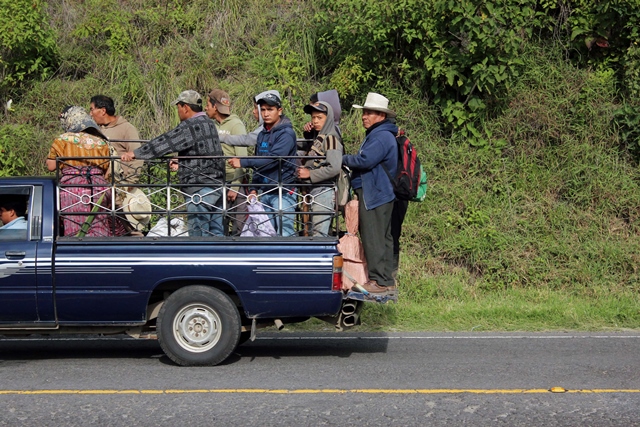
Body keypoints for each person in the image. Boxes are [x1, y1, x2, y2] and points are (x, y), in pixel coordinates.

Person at [121, 90, 225, 237]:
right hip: (217, 184)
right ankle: (220, 259)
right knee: (216, 232)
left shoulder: (190, 125)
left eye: (178, 107)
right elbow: (201, 150)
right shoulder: (209, 123)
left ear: (185, 107)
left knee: (199, 234)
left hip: (199, 187)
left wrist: (136, 153)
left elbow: (165, 142)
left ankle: (200, 260)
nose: (178, 111)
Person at [342, 93, 398, 295]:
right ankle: (385, 280)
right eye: (364, 113)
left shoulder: (381, 136)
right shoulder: (381, 134)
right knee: (383, 237)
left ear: (381, 116)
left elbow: (365, 160)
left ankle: (379, 282)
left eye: (369, 113)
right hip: (381, 193)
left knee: (374, 237)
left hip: (375, 193)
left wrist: (343, 158)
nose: (364, 116)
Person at [228, 92, 298, 236]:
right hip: (265, 192)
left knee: (285, 233)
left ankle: (290, 258)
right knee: (265, 234)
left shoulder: (286, 133)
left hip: (283, 191)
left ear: (279, 111)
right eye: (263, 109)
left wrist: (242, 162)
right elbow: (258, 161)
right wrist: (253, 188)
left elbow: (274, 159)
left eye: (270, 109)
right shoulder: (262, 134)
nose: (265, 113)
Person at [47, 106, 124, 237]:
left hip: (73, 188)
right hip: (99, 187)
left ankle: (76, 251)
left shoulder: (62, 140)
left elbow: (51, 166)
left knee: (75, 224)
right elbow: (108, 170)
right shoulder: (101, 141)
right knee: (99, 223)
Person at [205, 89, 249, 235]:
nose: (206, 108)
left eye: (208, 105)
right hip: (218, 182)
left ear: (215, 107)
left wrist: (235, 187)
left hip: (234, 183)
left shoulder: (236, 125)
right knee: (218, 226)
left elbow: (241, 158)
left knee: (239, 228)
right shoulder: (213, 126)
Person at [297, 101, 343, 236]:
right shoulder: (319, 137)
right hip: (312, 190)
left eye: (320, 118)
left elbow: (334, 167)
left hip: (324, 190)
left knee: (319, 236)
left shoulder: (331, 139)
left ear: (328, 119)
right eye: (313, 117)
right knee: (312, 233)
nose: (315, 121)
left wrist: (310, 174)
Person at [89, 95, 143, 184]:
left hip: (119, 184)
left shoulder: (127, 128)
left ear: (103, 111)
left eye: (92, 109)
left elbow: (137, 154)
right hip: (99, 184)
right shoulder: (97, 130)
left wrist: (130, 182)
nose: (90, 113)